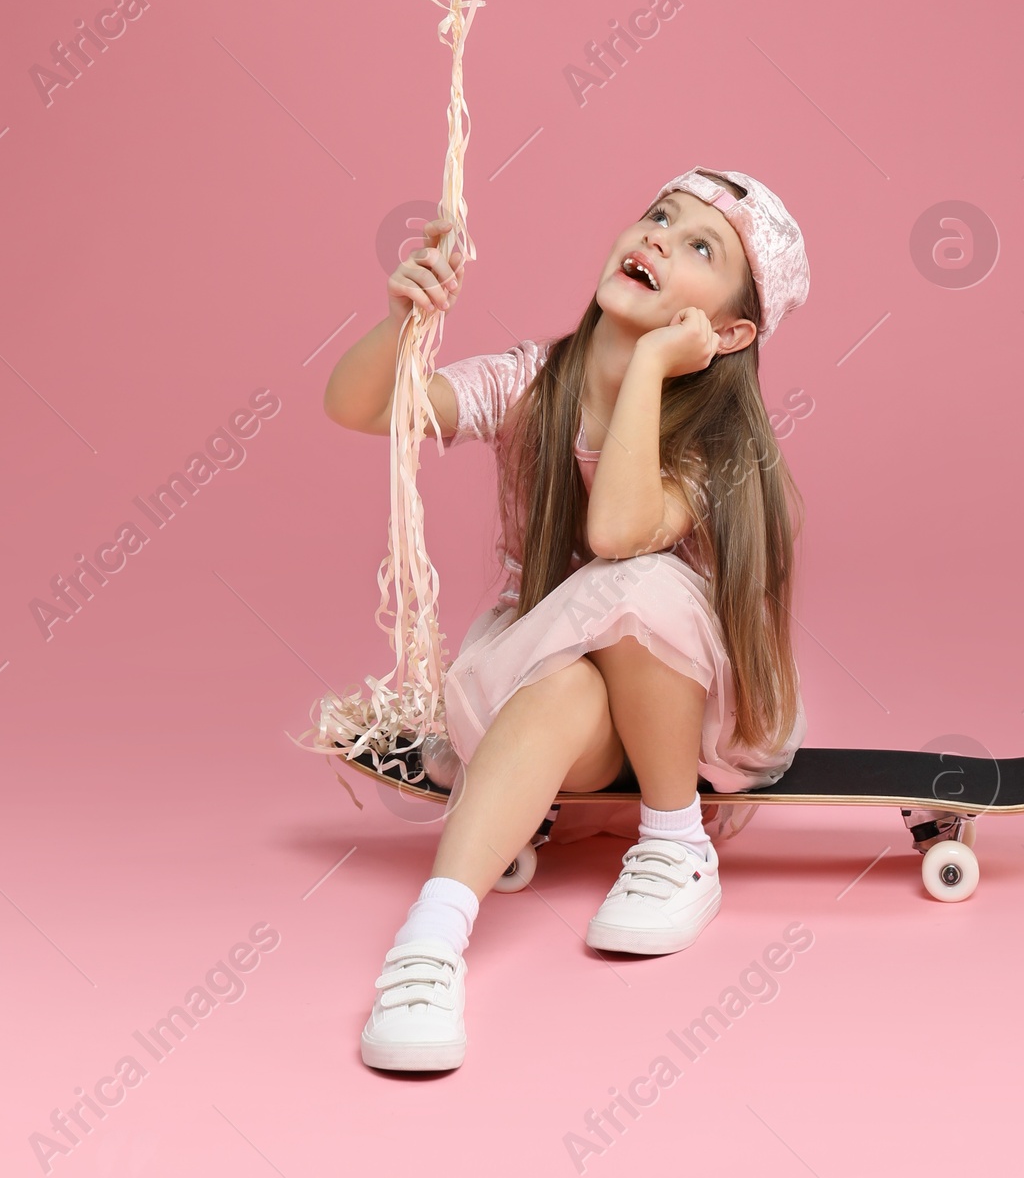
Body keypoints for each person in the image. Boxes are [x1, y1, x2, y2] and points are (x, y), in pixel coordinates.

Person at [323, 166, 810, 1072]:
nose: (659, 236)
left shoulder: (715, 447)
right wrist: (404, 323)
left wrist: (655, 370)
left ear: (732, 332)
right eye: (658, 216)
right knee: (565, 683)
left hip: (677, 718)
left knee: (646, 590)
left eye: (700, 245)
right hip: (552, 700)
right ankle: (428, 946)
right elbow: (361, 410)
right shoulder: (533, 384)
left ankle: (675, 845)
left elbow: (620, 535)